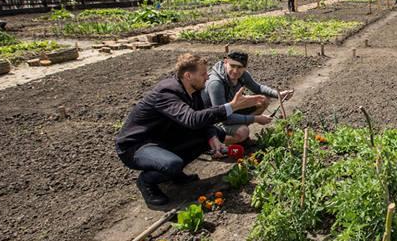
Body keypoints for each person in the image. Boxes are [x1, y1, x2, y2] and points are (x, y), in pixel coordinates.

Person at [115, 53, 255, 208]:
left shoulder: (193, 91)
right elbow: (192, 119)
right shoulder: (167, 92)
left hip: (162, 138)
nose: (207, 78)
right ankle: (147, 182)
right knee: (172, 164)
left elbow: (203, 120)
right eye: (203, 74)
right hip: (137, 146)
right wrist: (232, 106)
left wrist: (212, 137)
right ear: (188, 75)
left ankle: (175, 174)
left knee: (217, 133)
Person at [203, 51, 292, 144]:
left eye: (240, 67)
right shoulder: (216, 83)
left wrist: (278, 94)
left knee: (263, 100)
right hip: (214, 121)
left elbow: (258, 88)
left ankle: (237, 128)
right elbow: (223, 117)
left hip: (231, 110)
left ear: (245, 67)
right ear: (225, 62)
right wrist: (255, 118)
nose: (235, 71)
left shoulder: (242, 75)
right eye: (232, 66)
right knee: (243, 132)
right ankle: (212, 143)